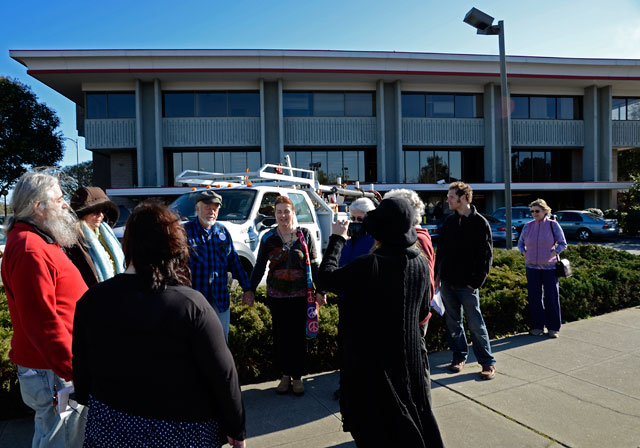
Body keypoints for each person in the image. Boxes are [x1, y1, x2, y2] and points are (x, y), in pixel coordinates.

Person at [72, 201, 246, 448]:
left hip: (111, 427)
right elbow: (224, 377)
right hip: (183, 432)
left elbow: (82, 373)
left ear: (127, 245)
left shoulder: (91, 300)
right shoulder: (192, 306)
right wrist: (236, 430)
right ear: (174, 247)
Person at [318, 197, 444, 448]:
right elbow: (421, 314)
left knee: (376, 428)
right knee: (412, 424)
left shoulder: (372, 263)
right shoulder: (419, 261)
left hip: (374, 366)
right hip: (410, 362)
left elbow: (325, 280)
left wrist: (336, 239)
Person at [1, 169, 87, 447]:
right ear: (38, 206)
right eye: (59, 198)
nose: (65, 204)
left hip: (52, 368)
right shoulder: (30, 248)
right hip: (53, 371)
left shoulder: (35, 241)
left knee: (58, 436)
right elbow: (41, 321)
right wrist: (73, 368)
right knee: (60, 439)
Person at [248, 195, 326, 396]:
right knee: (281, 336)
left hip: (302, 296)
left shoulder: (304, 235)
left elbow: (315, 265)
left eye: (286, 211)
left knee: (298, 337)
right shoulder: (268, 238)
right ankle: (284, 375)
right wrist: (250, 289)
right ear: (274, 214)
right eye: (279, 211)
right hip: (277, 296)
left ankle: (298, 376)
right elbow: (259, 267)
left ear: (293, 212)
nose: (283, 215)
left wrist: (321, 291)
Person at [435, 181, 496, 380]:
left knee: (476, 324)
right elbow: (441, 250)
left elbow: (486, 256)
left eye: (451, 197)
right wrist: (437, 275)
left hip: (467, 285)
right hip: (447, 283)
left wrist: (475, 282)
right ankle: (459, 356)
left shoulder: (480, 223)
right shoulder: (449, 221)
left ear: (463, 198)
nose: (448, 200)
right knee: (453, 323)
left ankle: (487, 363)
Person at [184, 190, 254, 341]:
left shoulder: (222, 232)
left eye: (215, 208)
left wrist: (247, 289)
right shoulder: (184, 232)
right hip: (195, 300)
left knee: (221, 341)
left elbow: (234, 262)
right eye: (207, 207)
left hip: (220, 300)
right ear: (197, 208)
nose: (211, 211)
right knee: (195, 342)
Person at [517, 198, 567, 338]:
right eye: (532, 211)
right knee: (534, 298)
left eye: (537, 211)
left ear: (545, 211)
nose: (534, 213)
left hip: (550, 268)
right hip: (531, 267)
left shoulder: (553, 225)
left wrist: (554, 252)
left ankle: (553, 328)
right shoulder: (528, 226)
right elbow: (520, 243)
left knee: (551, 297)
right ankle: (537, 327)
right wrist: (524, 252)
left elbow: (563, 243)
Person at [66, 186, 125, 287]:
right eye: (95, 211)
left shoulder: (107, 235)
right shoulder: (71, 243)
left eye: (103, 211)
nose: (101, 215)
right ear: (83, 214)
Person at [339, 197, 375, 267]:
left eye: (359, 219)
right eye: (353, 218)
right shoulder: (346, 238)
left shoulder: (375, 240)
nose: (355, 221)